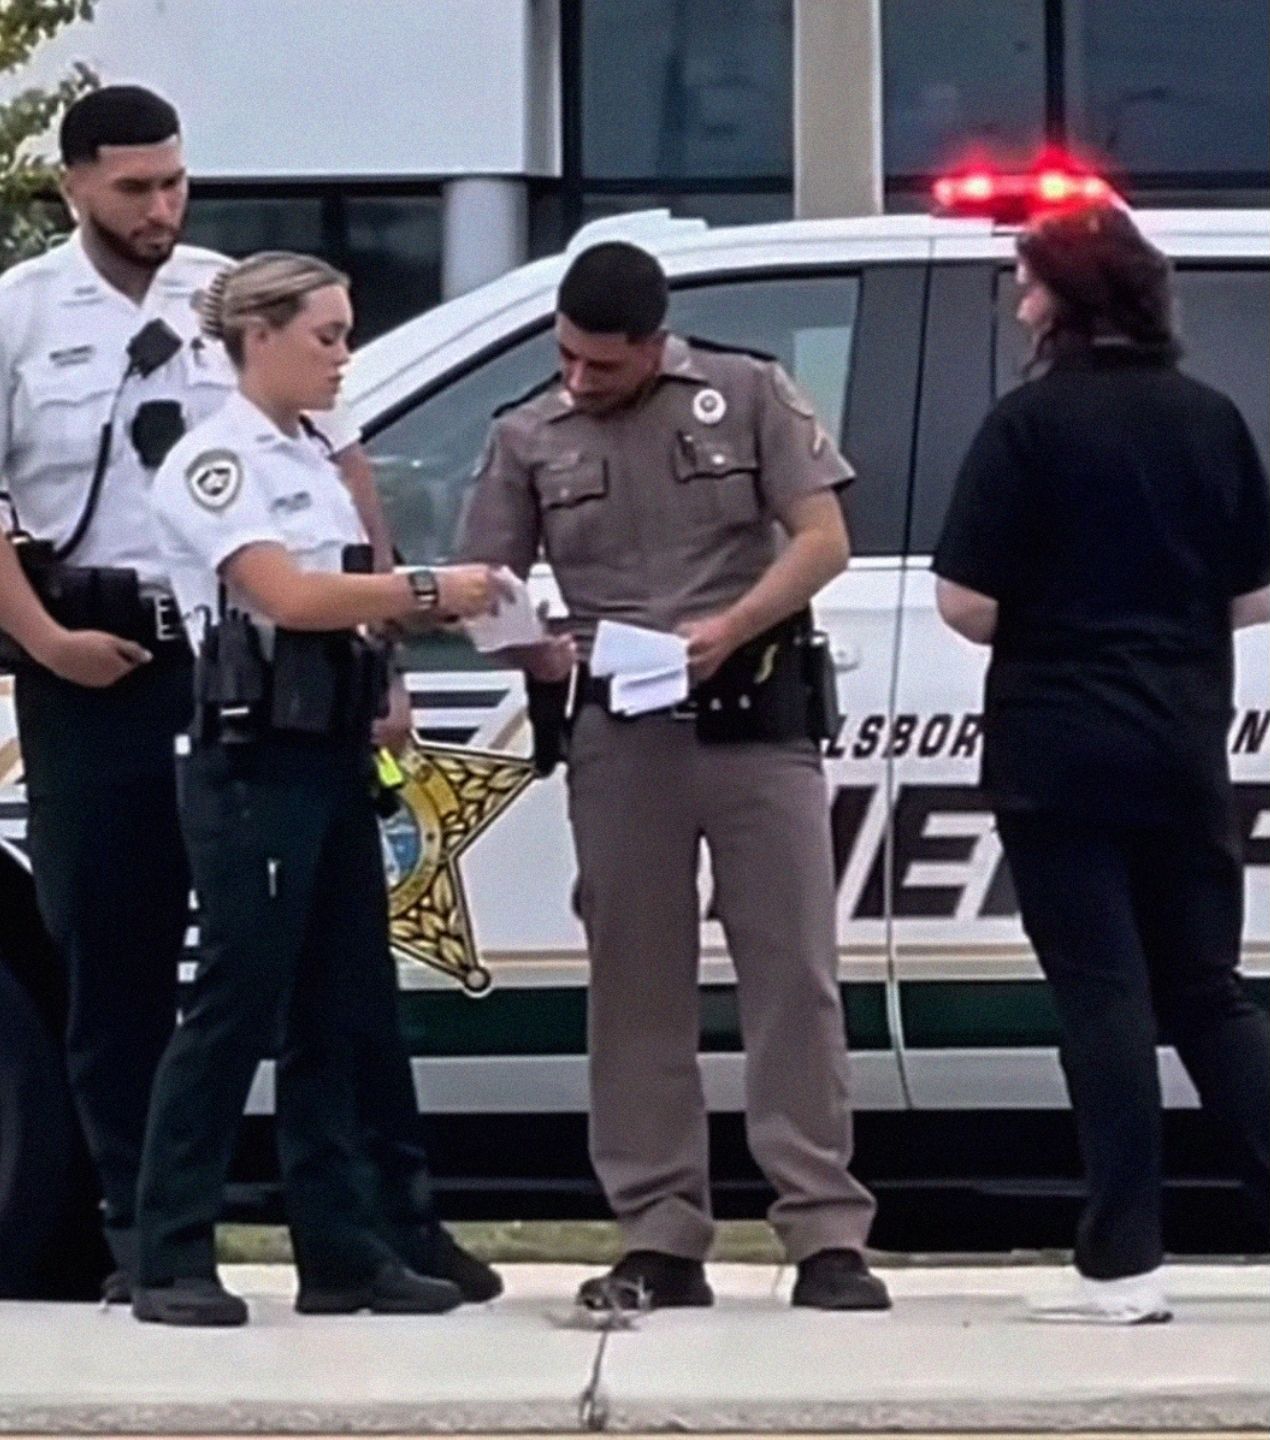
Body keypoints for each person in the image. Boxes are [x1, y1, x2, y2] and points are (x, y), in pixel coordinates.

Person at [0, 85, 497, 1304]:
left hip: (258, 655)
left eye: (174, 182)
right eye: (134, 188)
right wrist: (46, 644)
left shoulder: (235, 299)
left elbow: (340, 475)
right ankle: (143, 1236)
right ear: (73, 185)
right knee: (113, 949)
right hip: (92, 645)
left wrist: (384, 650)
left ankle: (373, 1226)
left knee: (326, 958)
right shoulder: (19, 313)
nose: (161, 208)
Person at [458, 240, 887, 1312]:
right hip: (621, 734)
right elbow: (484, 582)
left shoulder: (745, 395)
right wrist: (528, 643)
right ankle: (659, 1231)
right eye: (566, 356)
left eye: (602, 363)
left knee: (792, 975)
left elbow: (823, 537)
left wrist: (732, 624)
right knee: (636, 989)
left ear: (655, 344)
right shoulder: (527, 432)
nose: (578, 379)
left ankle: (823, 1230)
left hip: (754, 718)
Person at [134, 252, 502, 1325]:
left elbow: (347, 585)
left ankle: (341, 1249)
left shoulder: (307, 454)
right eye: (325, 336)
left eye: (346, 334)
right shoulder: (219, 460)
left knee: (342, 1007)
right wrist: (430, 588)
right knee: (235, 1004)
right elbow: (287, 594)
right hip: (256, 758)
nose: (343, 356)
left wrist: (395, 627)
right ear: (259, 337)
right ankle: (169, 1251)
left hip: (333, 746)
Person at [931, 202, 1270, 1325]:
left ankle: (1124, 1262)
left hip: (1059, 745)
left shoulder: (1028, 426)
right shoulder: (1211, 418)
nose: (1019, 303)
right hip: (1180, 739)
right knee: (1210, 994)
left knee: (1103, 999)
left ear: (1064, 299)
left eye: (1028, 283)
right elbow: (1252, 595)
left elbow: (967, 606)